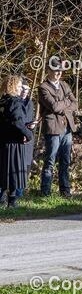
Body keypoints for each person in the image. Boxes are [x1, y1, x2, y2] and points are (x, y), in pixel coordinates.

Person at [37, 57, 78, 197]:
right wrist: (66, 103)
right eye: (55, 71)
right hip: (53, 128)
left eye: (60, 71)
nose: (58, 73)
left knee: (65, 161)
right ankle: (45, 192)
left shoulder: (64, 85)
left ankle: (65, 191)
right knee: (50, 160)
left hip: (67, 128)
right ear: (48, 70)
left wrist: (63, 104)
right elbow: (53, 106)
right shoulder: (43, 87)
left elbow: (75, 103)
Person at [1, 76, 35, 208]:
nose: (21, 89)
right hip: (14, 142)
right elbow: (17, 121)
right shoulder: (15, 102)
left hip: (3, 142)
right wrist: (28, 134)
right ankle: (12, 201)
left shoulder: (2, 101)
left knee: (3, 171)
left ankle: (2, 199)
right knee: (14, 171)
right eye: (20, 86)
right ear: (14, 86)